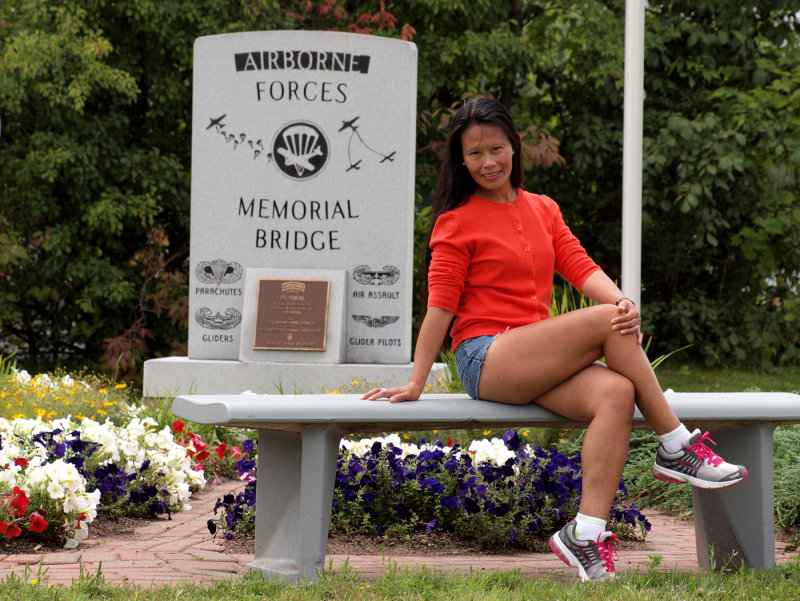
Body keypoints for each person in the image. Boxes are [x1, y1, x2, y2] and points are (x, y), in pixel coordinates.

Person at [361, 97, 748, 583]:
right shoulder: (455, 222)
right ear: (461, 161)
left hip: (538, 357)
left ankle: (585, 533)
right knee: (610, 320)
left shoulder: (543, 209)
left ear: (515, 146)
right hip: (487, 356)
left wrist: (624, 302)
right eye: (475, 154)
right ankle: (675, 445)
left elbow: (580, 266)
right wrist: (417, 382)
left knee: (616, 391)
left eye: (496, 149)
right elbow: (439, 308)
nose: (487, 162)